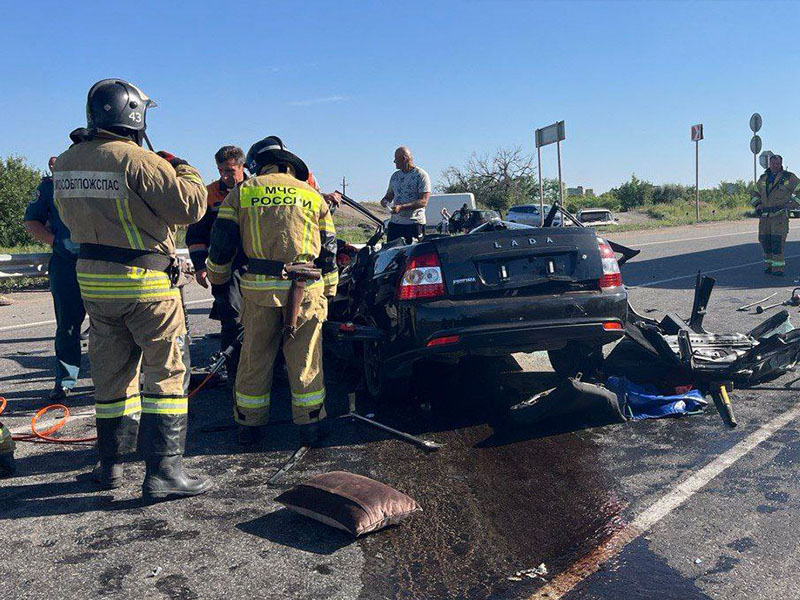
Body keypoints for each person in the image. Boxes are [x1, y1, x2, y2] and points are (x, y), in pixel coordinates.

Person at [53, 78, 212, 500]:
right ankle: (164, 473)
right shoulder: (138, 160)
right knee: (167, 373)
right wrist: (183, 166)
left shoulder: (67, 161)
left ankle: (110, 469)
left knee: (111, 375)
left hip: (94, 284)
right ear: (134, 115)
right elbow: (191, 206)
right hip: (145, 286)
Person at [207, 136, 338, 446]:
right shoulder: (312, 195)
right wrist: (330, 287)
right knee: (305, 358)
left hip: (259, 292)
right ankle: (310, 426)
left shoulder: (242, 192)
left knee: (255, 357)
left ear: (256, 165)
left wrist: (217, 276)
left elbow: (222, 242)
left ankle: (249, 427)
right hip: (305, 289)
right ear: (290, 165)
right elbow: (329, 249)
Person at [24, 156, 85, 401]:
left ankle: (112, 382)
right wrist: (57, 242)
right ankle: (66, 381)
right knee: (68, 326)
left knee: (113, 326)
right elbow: (32, 221)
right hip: (66, 264)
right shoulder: (51, 185)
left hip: (104, 261)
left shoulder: (102, 179)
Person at [186, 146, 247, 384]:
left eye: (230, 170)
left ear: (243, 167)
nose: (225, 176)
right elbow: (195, 237)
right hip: (225, 268)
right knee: (231, 319)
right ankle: (233, 372)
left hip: (257, 266)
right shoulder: (209, 194)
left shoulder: (257, 189)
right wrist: (201, 267)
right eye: (221, 171)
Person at [752, 154, 800, 276]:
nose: (775, 166)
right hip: (765, 216)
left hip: (779, 216)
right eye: (773, 163)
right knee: (765, 240)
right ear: (769, 164)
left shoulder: (788, 177)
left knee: (777, 242)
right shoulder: (763, 178)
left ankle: (778, 268)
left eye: (777, 164)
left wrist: (793, 204)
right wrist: (757, 204)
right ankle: (769, 266)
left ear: (781, 164)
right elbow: (754, 193)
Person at [380, 146, 431, 243]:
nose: (394, 161)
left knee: (413, 255)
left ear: (404, 159)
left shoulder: (421, 175)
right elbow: (389, 196)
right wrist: (384, 201)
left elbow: (423, 201)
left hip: (414, 224)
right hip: (395, 224)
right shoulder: (395, 176)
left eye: (396, 159)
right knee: (392, 253)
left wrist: (402, 207)